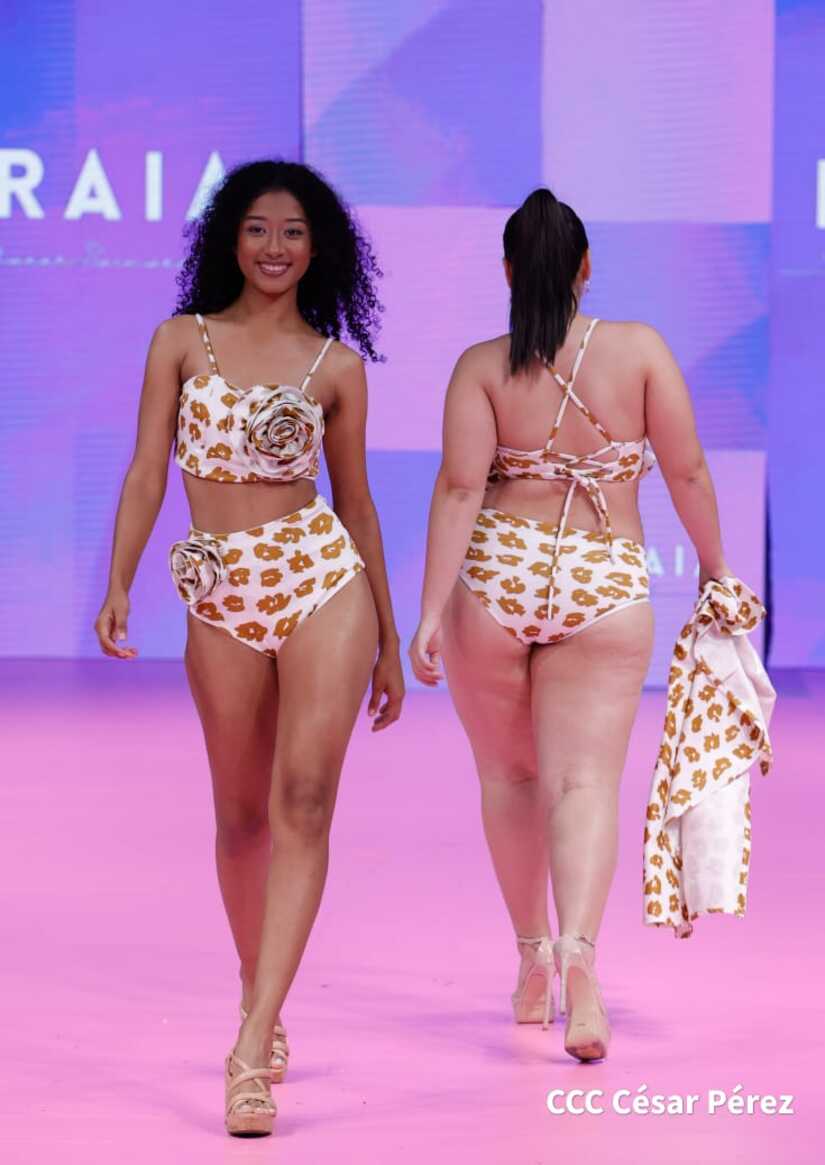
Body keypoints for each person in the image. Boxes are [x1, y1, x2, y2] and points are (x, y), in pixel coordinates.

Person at [94, 160, 404, 1134]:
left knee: (303, 798)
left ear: (319, 249)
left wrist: (389, 639)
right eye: (259, 228)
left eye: (294, 232)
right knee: (240, 817)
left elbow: (357, 506)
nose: (276, 247)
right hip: (219, 590)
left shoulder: (336, 366)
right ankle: (254, 983)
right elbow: (147, 471)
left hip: (320, 580)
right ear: (229, 237)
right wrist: (118, 581)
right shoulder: (179, 341)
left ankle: (251, 1044)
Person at [409, 187, 730, 1063]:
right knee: (584, 783)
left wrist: (431, 610)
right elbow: (687, 471)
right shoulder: (638, 350)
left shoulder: (480, 366)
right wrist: (714, 569)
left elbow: (459, 488)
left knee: (508, 778)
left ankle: (532, 960)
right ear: (586, 266)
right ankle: (581, 962)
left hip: (495, 578)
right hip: (604, 578)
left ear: (507, 271)